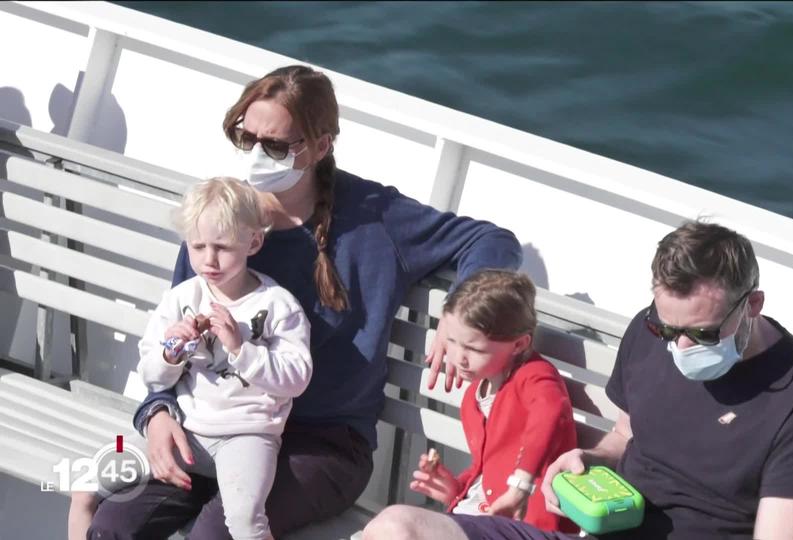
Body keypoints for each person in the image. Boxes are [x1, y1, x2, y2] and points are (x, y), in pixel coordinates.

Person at [86, 65, 522, 539]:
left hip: (324, 444)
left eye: (274, 145)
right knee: (113, 523)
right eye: (245, 137)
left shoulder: (377, 220)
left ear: (320, 146)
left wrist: (458, 312)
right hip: (210, 423)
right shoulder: (222, 223)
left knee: (217, 533)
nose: (255, 154)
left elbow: (490, 240)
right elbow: (173, 334)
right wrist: (157, 412)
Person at [359, 220, 793, 540]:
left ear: (754, 306)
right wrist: (587, 457)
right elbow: (624, 435)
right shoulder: (647, 331)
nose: (678, 347)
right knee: (397, 528)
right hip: (595, 532)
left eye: (701, 333)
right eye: (667, 327)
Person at [69, 177, 312, 540]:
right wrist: (170, 353)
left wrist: (240, 349)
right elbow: (150, 374)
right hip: (185, 433)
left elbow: (298, 378)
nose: (209, 259)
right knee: (85, 478)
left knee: (246, 521)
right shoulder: (182, 298)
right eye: (198, 246)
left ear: (254, 242)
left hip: (247, 438)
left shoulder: (278, 305)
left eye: (222, 247)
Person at [375, 270, 578, 535]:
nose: (459, 357)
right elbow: (488, 468)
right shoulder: (475, 396)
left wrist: (520, 485)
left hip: (524, 523)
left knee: (393, 527)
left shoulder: (535, 377)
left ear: (519, 344)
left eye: (474, 349)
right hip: (478, 515)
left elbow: (549, 414)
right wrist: (457, 489)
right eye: (452, 342)